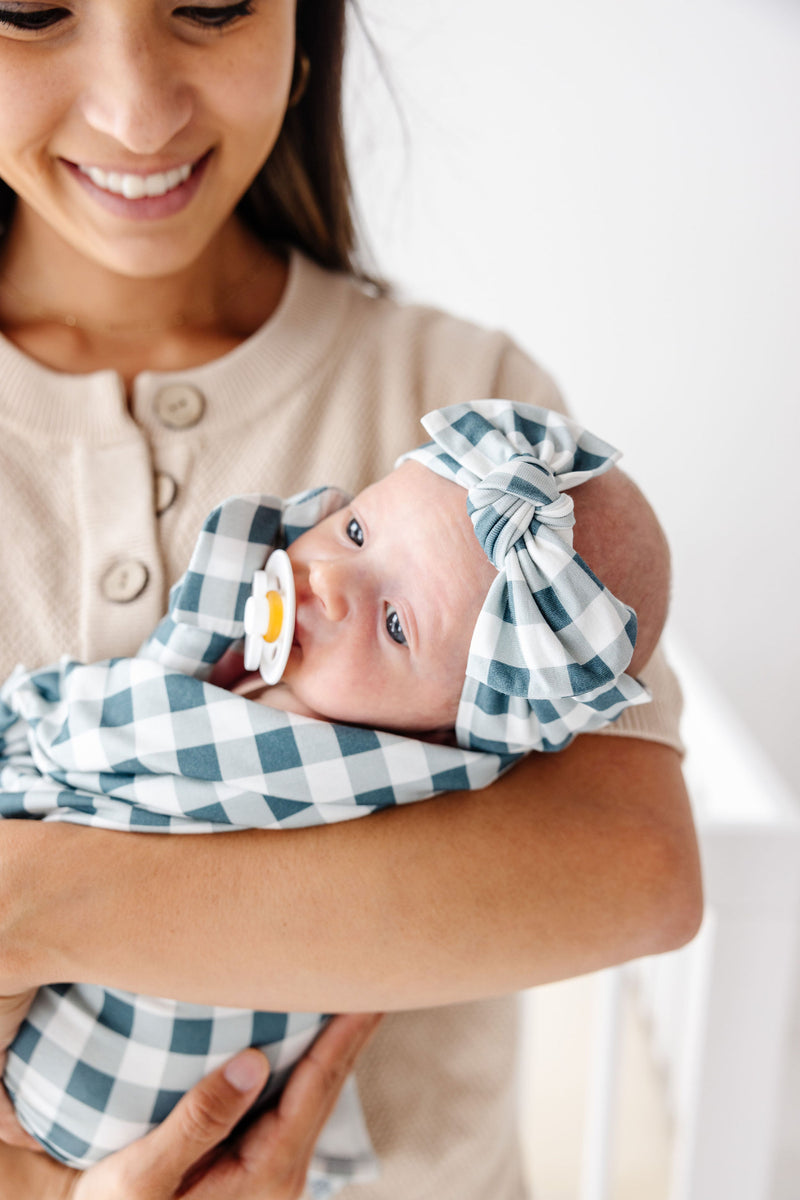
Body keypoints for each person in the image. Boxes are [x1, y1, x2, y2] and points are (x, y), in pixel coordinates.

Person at [0, 2, 702, 1197]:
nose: (134, 108)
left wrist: (35, 903)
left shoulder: (471, 419)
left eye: (210, 4)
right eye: (29, 9)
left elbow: (633, 869)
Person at [1, 400, 662, 1191]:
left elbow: (651, 876)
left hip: (125, 1090)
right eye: (355, 530)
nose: (332, 584)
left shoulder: (332, 761)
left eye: (394, 626)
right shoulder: (272, 669)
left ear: (455, 731)